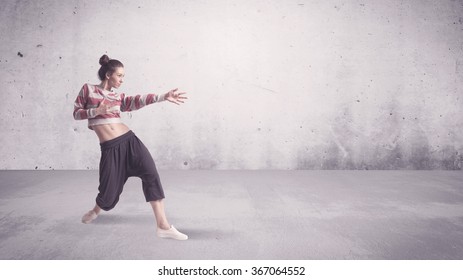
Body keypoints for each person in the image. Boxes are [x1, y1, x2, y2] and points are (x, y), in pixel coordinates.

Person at [73, 54, 188, 241]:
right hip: (110, 148)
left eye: (123, 76)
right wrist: (97, 111)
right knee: (109, 193)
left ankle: (163, 226)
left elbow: (137, 100)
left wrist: (163, 97)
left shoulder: (117, 97)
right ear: (109, 74)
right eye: (119, 75)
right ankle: (96, 210)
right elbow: (76, 113)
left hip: (129, 141)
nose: (122, 80)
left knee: (151, 174)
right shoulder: (88, 89)